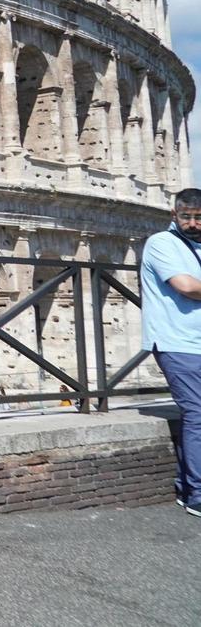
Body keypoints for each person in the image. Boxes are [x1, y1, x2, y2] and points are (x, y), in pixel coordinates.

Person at [140, 188, 201, 519]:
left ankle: (187, 485)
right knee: (198, 414)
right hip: (177, 343)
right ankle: (196, 495)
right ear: (174, 216)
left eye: (198, 217)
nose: (192, 223)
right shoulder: (162, 243)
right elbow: (186, 287)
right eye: (186, 217)